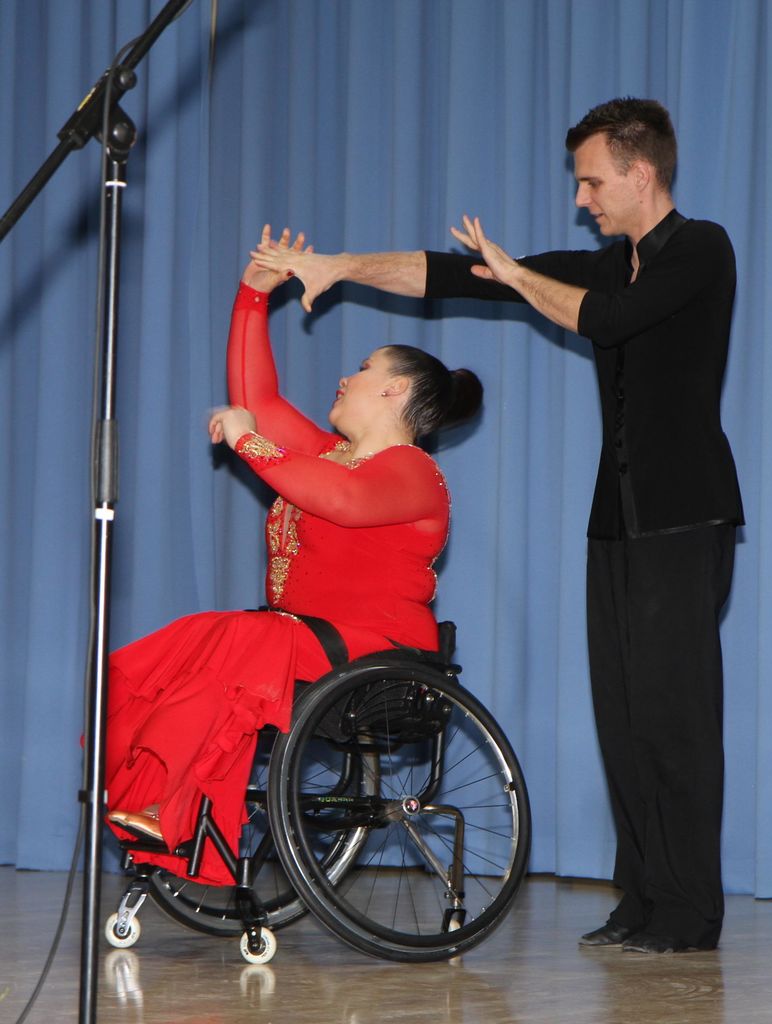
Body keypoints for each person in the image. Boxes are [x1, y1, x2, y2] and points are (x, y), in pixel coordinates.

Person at [249, 98, 744, 953]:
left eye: (592, 182)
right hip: (615, 518)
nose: (582, 198)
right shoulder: (607, 264)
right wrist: (337, 265)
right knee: (624, 714)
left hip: (683, 513)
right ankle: (643, 898)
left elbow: (607, 320)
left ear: (640, 172)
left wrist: (518, 276)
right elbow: (449, 274)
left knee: (676, 718)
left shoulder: (701, 248)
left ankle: (690, 911)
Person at [104, 226, 483, 885]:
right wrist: (252, 296)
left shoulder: (414, 471)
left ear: (395, 390)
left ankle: (170, 805)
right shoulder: (331, 455)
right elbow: (257, 403)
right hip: (303, 640)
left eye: (363, 368)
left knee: (242, 637)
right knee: (195, 642)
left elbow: (338, 498)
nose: (345, 376)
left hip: (375, 651)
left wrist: (249, 443)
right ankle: (161, 802)